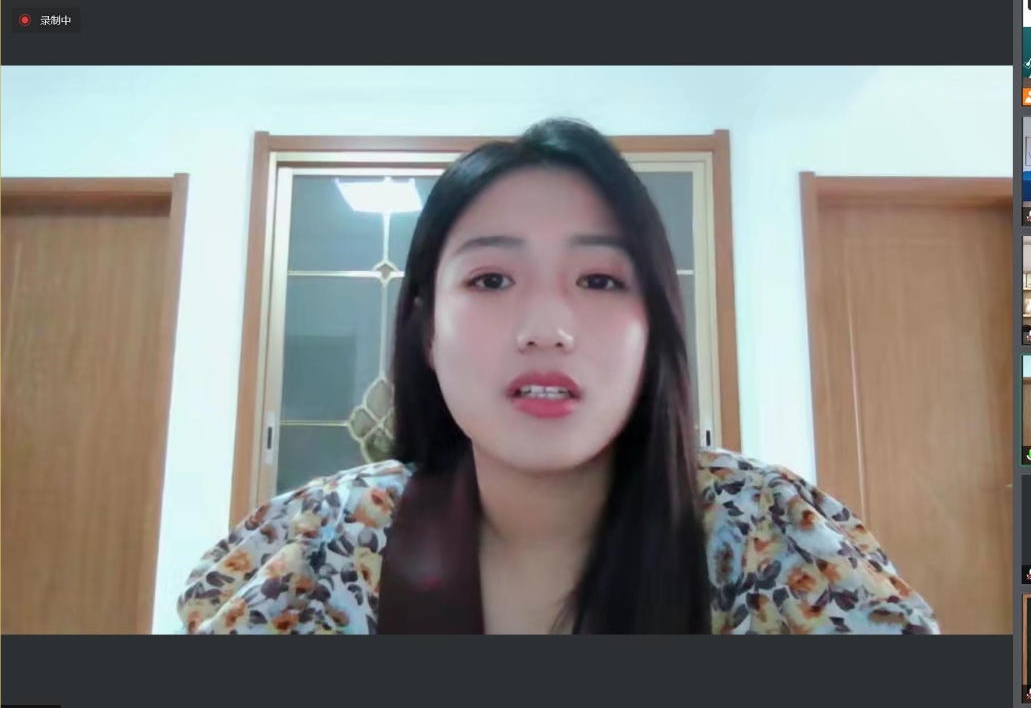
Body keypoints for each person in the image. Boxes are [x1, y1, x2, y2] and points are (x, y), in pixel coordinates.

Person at [177, 118, 939, 635]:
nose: (547, 327)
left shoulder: (772, 534)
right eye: (490, 279)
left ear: (654, 328)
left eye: (599, 280)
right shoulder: (326, 542)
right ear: (426, 332)